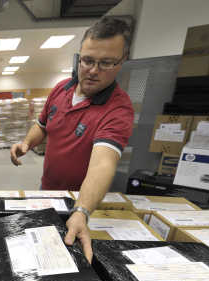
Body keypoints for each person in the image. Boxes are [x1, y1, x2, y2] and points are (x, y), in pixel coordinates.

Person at [10, 17, 133, 262]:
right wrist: (27, 143)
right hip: (46, 191)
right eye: (87, 60)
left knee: (70, 261)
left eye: (106, 63)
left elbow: (103, 163)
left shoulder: (118, 109)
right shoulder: (61, 89)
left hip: (80, 202)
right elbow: (41, 125)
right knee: (39, 251)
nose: (93, 70)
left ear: (121, 63)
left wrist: (81, 211)